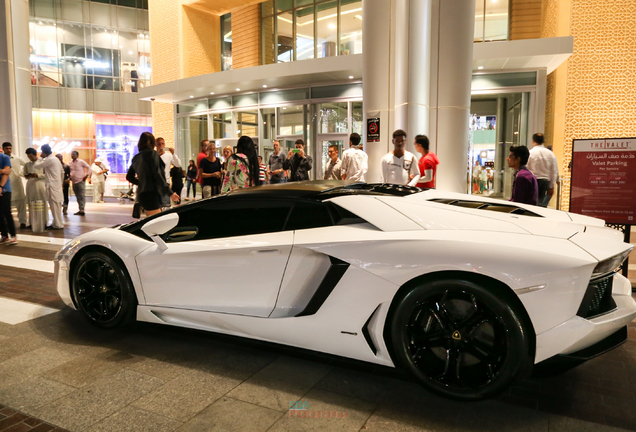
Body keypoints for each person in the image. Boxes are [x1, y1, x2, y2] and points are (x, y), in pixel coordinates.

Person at [126, 132, 179, 217]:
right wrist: (170, 193)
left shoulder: (136, 157)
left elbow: (129, 177)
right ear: (152, 142)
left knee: (153, 220)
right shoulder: (152, 154)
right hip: (152, 193)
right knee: (156, 222)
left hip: (143, 194)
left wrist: (142, 182)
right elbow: (157, 174)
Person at [33, 144, 64, 230]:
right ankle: (56, 223)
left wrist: (40, 157)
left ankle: (58, 224)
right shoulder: (56, 159)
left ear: (44, 152)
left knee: (54, 205)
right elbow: (62, 172)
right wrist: (60, 182)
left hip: (52, 186)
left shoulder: (49, 159)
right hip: (56, 185)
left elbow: (36, 165)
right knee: (57, 206)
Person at [526, 133, 558, 207]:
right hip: (545, 182)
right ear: (543, 141)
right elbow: (554, 170)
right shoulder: (550, 154)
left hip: (533, 181)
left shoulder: (530, 153)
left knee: (532, 205)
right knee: (542, 205)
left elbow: (527, 168)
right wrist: (551, 186)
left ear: (533, 141)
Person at [2, 143, 27, 228]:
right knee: (5, 206)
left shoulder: (17, 159)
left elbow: (26, 165)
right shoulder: (1, 159)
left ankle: (23, 222)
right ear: (3, 149)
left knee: (21, 204)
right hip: (5, 186)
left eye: (10, 148)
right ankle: (6, 223)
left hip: (17, 184)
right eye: (6, 149)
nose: (8, 150)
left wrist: (22, 174)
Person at [23, 148, 48, 232]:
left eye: (31, 156)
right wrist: (27, 175)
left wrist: (38, 175)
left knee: (43, 203)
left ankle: (44, 221)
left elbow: (47, 175)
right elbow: (24, 174)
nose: (30, 158)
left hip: (40, 185)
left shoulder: (42, 163)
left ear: (35, 154)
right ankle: (31, 222)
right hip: (30, 185)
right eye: (28, 157)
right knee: (31, 204)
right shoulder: (27, 164)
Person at [156, 137, 181, 206]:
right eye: (159, 144)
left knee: (165, 205)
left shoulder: (169, 155)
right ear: (156, 145)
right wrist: (157, 154)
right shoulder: (154, 156)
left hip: (165, 183)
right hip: (155, 184)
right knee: (156, 206)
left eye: (162, 144)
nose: (161, 146)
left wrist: (173, 154)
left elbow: (178, 164)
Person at [0, 148, 17, 244]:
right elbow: (4, 171)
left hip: (5, 188)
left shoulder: (4, 157)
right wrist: (2, 171)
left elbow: (7, 172)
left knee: (6, 212)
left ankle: (13, 235)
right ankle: (4, 235)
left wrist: (1, 186)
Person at [69, 150, 90, 215]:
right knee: (77, 196)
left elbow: (88, 167)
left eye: (74, 154)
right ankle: (80, 209)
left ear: (77, 155)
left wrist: (87, 175)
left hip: (80, 181)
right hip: (74, 181)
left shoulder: (81, 162)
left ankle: (82, 210)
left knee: (81, 196)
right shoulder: (70, 162)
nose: (73, 155)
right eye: (72, 154)